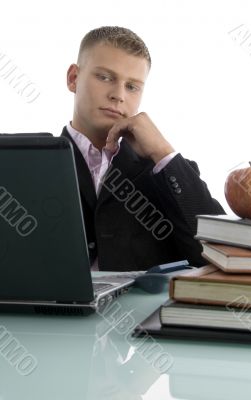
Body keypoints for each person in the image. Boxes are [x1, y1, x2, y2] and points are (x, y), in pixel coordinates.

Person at [62, 26, 225, 271]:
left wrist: (163, 153)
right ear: (74, 78)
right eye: (105, 77)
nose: (118, 95)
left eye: (132, 86)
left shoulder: (164, 172)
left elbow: (217, 253)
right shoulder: (27, 164)